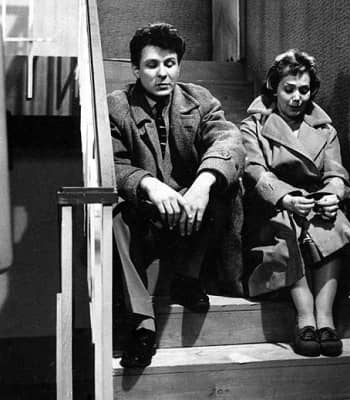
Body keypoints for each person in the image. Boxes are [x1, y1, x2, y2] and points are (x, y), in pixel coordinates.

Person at [108, 23, 244, 368]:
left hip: (190, 216)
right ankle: (142, 325)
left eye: (170, 64)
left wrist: (202, 183)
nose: (163, 73)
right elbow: (112, 163)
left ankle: (188, 278)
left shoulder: (199, 100)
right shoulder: (116, 106)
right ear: (136, 69)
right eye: (152, 65)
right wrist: (147, 184)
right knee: (114, 215)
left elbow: (229, 141)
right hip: (147, 215)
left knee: (225, 184)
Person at [241, 50, 350, 357]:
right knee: (289, 225)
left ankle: (326, 319)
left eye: (304, 90)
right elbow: (255, 169)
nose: (297, 97)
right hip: (272, 204)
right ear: (274, 87)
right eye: (289, 89)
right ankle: (305, 316)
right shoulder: (253, 124)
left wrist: (333, 195)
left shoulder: (325, 130)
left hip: (314, 201)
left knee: (333, 221)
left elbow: (336, 172)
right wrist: (285, 198)